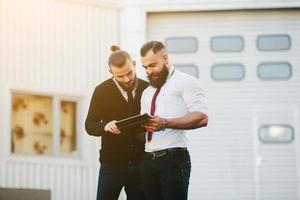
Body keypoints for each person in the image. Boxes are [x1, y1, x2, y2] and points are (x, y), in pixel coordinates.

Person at [139, 41, 208, 200]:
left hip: (173, 160)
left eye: (153, 65)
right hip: (148, 160)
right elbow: (146, 128)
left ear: (165, 58)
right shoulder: (147, 92)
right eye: (145, 67)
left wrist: (165, 123)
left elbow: (202, 117)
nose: (149, 71)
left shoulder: (185, 81)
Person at [85, 45, 148, 200]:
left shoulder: (148, 89)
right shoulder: (101, 91)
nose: (126, 79)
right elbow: (89, 125)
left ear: (134, 64)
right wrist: (104, 126)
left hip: (141, 165)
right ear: (110, 73)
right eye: (119, 76)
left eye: (129, 73)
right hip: (111, 165)